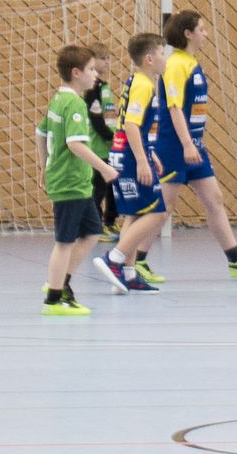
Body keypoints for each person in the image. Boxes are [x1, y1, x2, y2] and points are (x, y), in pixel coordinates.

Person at [156, 10, 237, 278]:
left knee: (214, 199)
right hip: (175, 145)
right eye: (202, 29)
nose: (206, 34)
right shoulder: (175, 64)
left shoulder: (191, 62)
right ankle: (135, 260)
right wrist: (186, 144)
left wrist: (193, 143)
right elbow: (174, 107)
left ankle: (235, 258)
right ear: (188, 34)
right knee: (164, 206)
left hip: (194, 144)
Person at [37, 45, 119, 316]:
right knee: (65, 242)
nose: (96, 74)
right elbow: (74, 144)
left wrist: (43, 166)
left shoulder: (58, 99)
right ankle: (53, 299)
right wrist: (104, 169)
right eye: (91, 69)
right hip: (69, 182)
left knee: (93, 231)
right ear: (76, 73)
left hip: (77, 183)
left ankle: (61, 282)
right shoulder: (73, 103)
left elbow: (40, 132)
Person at [92, 32, 170, 293]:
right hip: (129, 156)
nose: (165, 58)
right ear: (149, 59)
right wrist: (142, 161)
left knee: (135, 214)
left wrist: (150, 153)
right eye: (162, 53)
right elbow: (131, 125)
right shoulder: (143, 85)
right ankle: (113, 259)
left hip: (126, 151)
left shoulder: (137, 80)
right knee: (157, 212)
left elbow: (131, 123)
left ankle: (128, 272)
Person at [85, 45, 120, 240]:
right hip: (97, 148)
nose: (107, 62)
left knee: (112, 187)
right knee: (97, 189)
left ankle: (110, 222)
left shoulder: (103, 86)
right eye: (103, 58)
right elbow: (97, 121)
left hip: (109, 148)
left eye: (108, 58)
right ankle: (95, 226)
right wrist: (110, 136)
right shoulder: (91, 89)